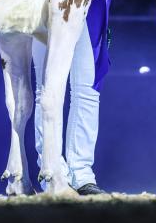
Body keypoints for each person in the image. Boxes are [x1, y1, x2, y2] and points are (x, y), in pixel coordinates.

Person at [32, 24, 104, 195]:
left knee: (88, 89)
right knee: (47, 88)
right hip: (43, 6)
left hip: (87, 5)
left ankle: (82, 173)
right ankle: (51, 170)